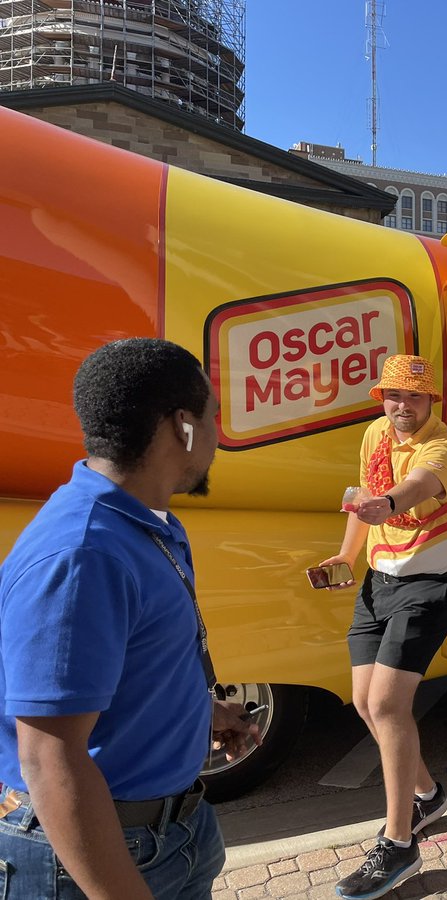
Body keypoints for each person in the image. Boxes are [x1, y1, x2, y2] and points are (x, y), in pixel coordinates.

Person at [0, 337, 258, 899]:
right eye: (215, 418)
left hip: (174, 834)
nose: (219, 437)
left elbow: (125, 665)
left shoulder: (142, 521)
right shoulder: (82, 553)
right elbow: (50, 756)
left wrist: (201, 712)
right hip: (94, 859)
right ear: (183, 425)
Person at [321, 354, 447, 900]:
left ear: (432, 400)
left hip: (429, 583)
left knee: (387, 706)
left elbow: (417, 486)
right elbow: (361, 499)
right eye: (392, 396)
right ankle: (428, 797)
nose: (401, 406)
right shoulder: (374, 433)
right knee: (364, 701)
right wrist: (346, 554)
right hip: (379, 579)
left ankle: (401, 842)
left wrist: (388, 503)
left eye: (412, 397)